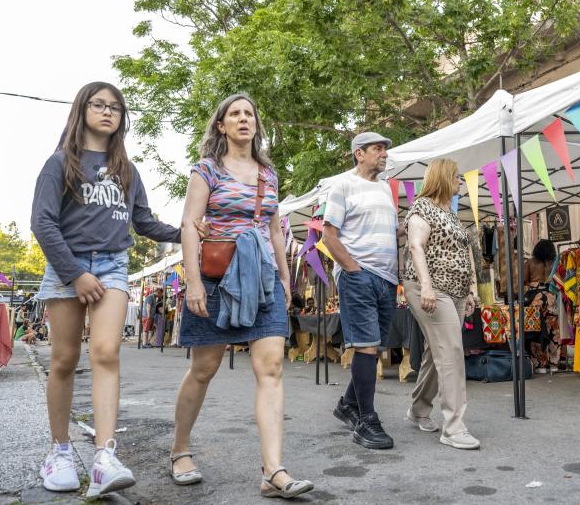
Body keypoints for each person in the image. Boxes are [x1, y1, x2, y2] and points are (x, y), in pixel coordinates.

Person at [31, 82, 182, 498]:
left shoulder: (127, 172)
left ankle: (104, 457)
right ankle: (59, 452)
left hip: (115, 265)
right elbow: (43, 223)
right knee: (64, 358)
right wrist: (75, 273)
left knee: (106, 352)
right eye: (99, 105)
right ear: (82, 110)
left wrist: (186, 231)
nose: (107, 112)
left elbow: (145, 222)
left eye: (115, 107)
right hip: (67, 264)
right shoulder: (59, 163)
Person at [170, 93, 313, 498]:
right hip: (215, 279)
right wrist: (193, 282)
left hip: (263, 279)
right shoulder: (206, 170)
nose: (243, 118)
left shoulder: (269, 175)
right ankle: (180, 450)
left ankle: (273, 471)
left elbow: (274, 231)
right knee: (205, 368)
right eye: (234, 114)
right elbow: (189, 225)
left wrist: (286, 280)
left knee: (271, 368)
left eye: (249, 113)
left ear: (256, 124)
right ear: (222, 125)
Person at [324, 131, 399, 450]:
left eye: (384, 149)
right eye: (378, 149)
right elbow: (329, 235)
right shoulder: (342, 185)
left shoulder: (385, 187)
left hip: (387, 279)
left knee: (376, 347)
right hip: (359, 277)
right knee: (367, 346)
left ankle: (347, 405)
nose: (384, 154)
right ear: (359, 153)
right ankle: (367, 420)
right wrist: (353, 269)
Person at [402, 158, 479, 450]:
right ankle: (454, 427)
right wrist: (427, 286)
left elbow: (459, 253)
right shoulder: (422, 207)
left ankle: (419, 409)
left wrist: (469, 291)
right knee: (451, 351)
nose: (460, 181)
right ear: (443, 178)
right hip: (431, 289)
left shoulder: (449, 212)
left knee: (439, 353)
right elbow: (416, 246)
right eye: (456, 177)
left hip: (455, 292)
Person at [523, 239, 561, 373]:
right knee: (553, 331)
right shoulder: (555, 262)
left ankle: (540, 365)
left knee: (536, 330)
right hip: (551, 297)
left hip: (535, 299)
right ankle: (554, 364)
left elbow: (523, 281)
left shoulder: (530, 262)